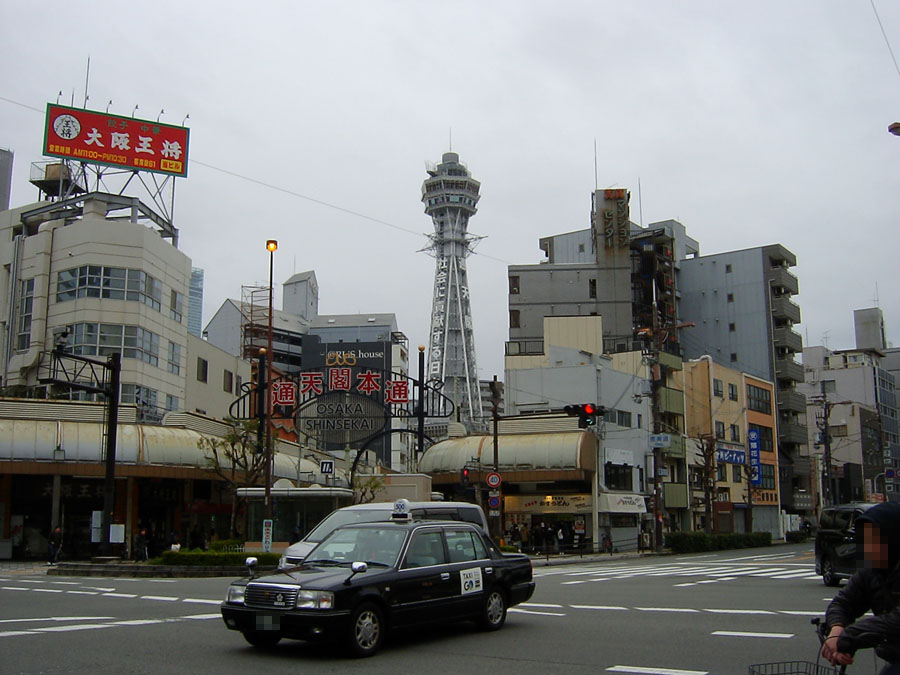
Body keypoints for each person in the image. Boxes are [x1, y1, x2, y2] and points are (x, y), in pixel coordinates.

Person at [820, 502, 900, 673]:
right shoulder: (872, 571)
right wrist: (836, 629)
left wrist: (848, 637)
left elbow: (896, 621)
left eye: (875, 540)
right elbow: (843, 603)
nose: (867, 547)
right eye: (864, 540)